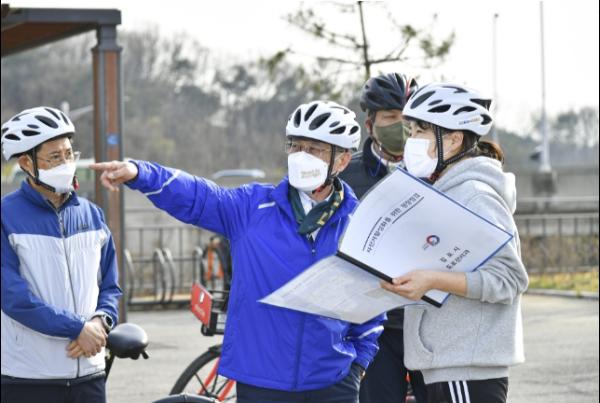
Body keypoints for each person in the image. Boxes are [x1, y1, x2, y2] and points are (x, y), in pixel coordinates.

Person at [90, 100, 386, 403]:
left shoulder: (359, 223)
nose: (301, 156)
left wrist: (358, 365)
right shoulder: (252, 207)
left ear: (342, 160)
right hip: (261, 382)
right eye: (295, 146)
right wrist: (140, 173)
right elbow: (199, 196)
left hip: (333, 383)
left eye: (314, 149)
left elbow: (371, 303)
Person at [381, 83, 529, 403]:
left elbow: (510, 279)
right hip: (448, 366)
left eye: (421, 131)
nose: (411, 140)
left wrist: (432, 280)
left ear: (452, 140)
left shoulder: (473, 195)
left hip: (464, 367)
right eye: (411, 131)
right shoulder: (443, 191)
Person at [1, 106, 122, 403]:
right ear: (26, 163)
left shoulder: (92, 215)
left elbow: (111, 286)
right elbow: (13, 297)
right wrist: (77, 328)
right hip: (28, 378)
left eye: (69, 154)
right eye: (55, 157)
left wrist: (100, 323)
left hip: (90, 375)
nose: (66, 163)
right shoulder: (6, 216)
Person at [339, 72, 428, 403]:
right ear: (369, 124)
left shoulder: (438, 172)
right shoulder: (345, 176)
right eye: (391, 117)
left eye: (409, 119)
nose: (401, 127)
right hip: (373, 324)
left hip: (427, 319)